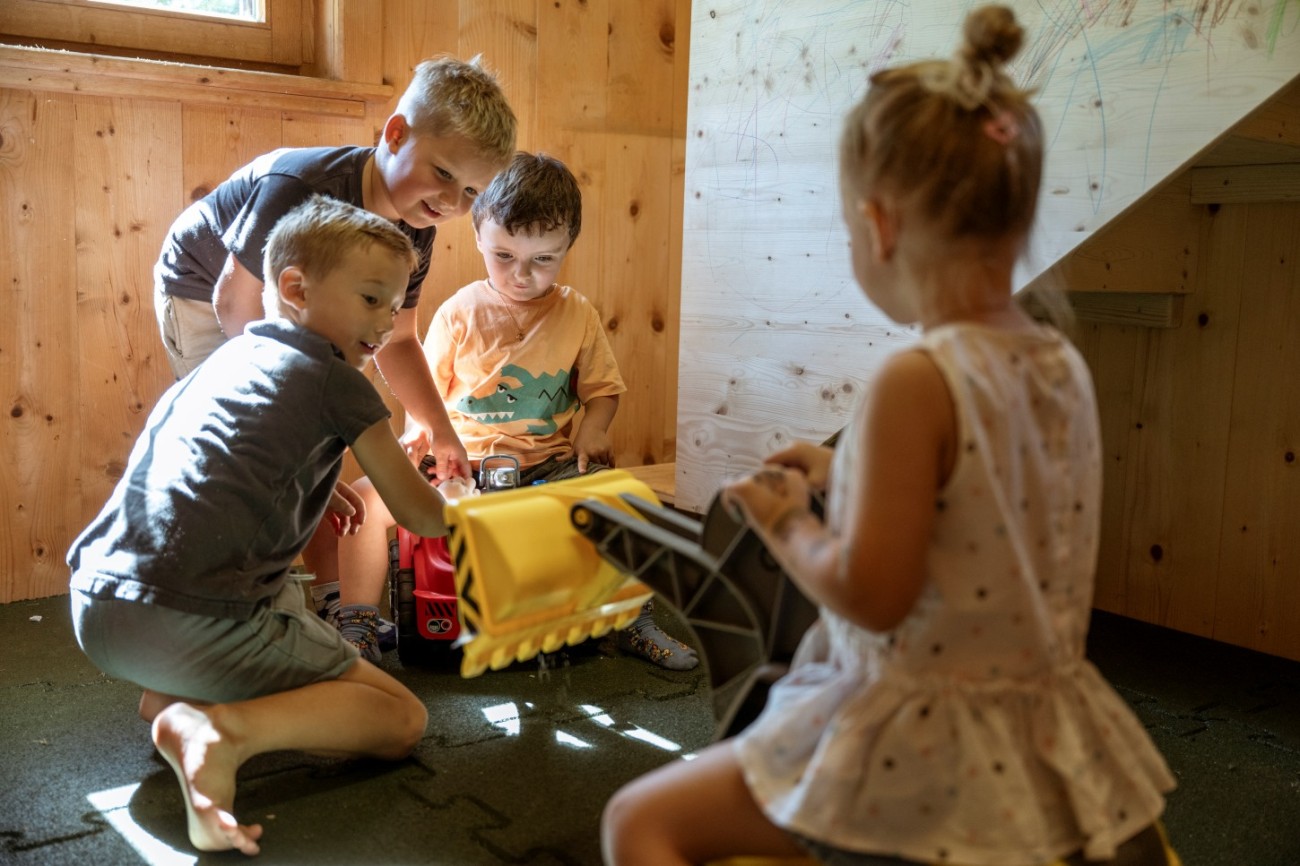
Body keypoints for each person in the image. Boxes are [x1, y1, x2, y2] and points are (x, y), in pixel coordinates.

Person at [600, 6, 1179, 866]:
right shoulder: (1058, 363)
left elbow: (871, 594)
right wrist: (847, 468)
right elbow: (991, 495)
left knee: (639, 824)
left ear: (876, 227)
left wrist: (790, 518)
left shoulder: (917, 378)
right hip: (1046, 724)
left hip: (922, 733)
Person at [68, 196, 457, 856]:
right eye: (370, 300)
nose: (386, 323)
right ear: (295, 288)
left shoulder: (228, 358)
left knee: (275, 582)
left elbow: (220, 462)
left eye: (394, 306)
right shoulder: (337, 381)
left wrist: (323, 482)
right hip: (189, 621)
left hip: (98, 609)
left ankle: (168, 703)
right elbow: (420, 512)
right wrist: (481, 510)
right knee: (400, 720)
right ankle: (224, 733)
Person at [151, 54, 516, 633]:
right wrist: (294, 407)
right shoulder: (302, 185)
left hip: (294, 302)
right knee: (254, 448)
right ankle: (220, 605)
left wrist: (438, 424)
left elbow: (398, 337)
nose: (452, 201)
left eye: (471, 191)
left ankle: (333, 601)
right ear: (395, 134)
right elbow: (235, 304)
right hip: (207, 289)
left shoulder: (415, 229)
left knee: (319, 442)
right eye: (444, 173)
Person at [333, 151, 698, 670]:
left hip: (548, 470)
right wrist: (419, 432)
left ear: (567, 248)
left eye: (542, 260)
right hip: (462, 470)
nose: (521, 275)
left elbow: (603, 390)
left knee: (629, 502)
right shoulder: (459, 311)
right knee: (368, 503)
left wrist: (594, 431)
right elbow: (424, 393)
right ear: (479, 233)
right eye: (504, 256)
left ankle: (630, 618)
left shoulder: (578, 314)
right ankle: (357, 631)